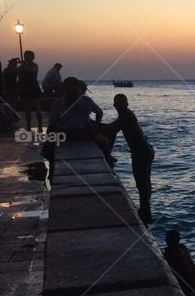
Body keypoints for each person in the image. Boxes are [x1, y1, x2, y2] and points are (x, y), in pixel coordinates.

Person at [42, 76, 111, 179]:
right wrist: (96, 124)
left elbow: (54, 122)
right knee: (104, 141)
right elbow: (99, 112)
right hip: (84, 134)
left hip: (65, 135)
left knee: (49, 144)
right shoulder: (86, 101)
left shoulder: (58, 102)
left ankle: (51, 170)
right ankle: (108, 163)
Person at [103, 93, 155, 224]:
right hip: (145, 150)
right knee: (144, 184)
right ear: (115, 105)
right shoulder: (125, 115)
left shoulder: (127, 116)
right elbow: (112, 130)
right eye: (118, 104)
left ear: (126, 104)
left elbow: (110, 129)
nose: (119, 106)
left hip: (141, 152)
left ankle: (145, 213)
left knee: (142, 184)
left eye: (121, 104)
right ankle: (146, 212)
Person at [17, 50, 42, 132]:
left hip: (33, 87)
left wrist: (24, 65)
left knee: (37, 107)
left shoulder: (35, 65)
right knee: (27, 108)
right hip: (25, 87)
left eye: (27, 55)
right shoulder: (22, 66)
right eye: (25, 55)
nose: (25, 57)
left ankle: (40, 125)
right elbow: (18, 75)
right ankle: (28, 125)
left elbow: (31, 72)